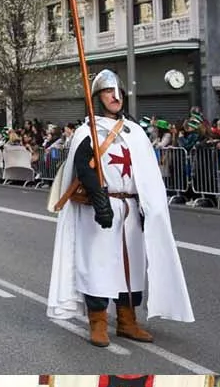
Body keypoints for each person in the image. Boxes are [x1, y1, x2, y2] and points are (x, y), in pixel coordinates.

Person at [48, 69, 194, 347]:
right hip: (101, 206)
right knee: (99, 264)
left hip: (131, 206)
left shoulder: (135, 131)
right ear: (96, 97)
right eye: (107, 91)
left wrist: (148, 205)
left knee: (133, 266)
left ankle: (128, 320)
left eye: (118, 92)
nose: (115, 97)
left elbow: (147, 172)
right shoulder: (86, 131)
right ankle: (99, 321)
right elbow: (83, 166)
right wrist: (99, 200)